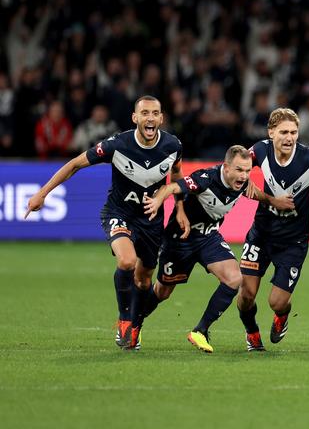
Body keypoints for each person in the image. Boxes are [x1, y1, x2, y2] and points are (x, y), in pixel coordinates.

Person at [25, 95, 183, 350]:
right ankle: (124, 320)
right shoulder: (117, 144)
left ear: (161, 118)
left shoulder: (173, 145)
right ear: (135, 118)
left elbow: (176, 174)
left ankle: (135, 326)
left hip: (152, 220)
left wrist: (181, 208)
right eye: (145, 113)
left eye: (155, 113)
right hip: (119, 213)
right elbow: (76, 164)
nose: (150, 118)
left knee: (144, 281)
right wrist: (42, 193)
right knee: (127, 261)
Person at [138, 145, 294, 352]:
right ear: (227, 167)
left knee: (234, 278)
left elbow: (256, 194)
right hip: (180, 239)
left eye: (248, 170)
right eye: (239, 170)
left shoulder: (243, 183)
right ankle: (133, 322)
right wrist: (159, 200)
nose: (244, 175)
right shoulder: (206, 178)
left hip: (208, 238)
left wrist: (275, 201)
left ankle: (200, 331)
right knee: (162, 291)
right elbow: (173, 187)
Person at [237, 108, 309, 351]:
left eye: (293, 132)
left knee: (277, 302)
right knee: (246, 296)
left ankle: (282, 316)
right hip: (261, 235)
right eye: (283, 132)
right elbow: (236, 170)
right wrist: (269, 199)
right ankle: (252, 333)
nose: (289, 138)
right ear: (271, 133)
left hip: (293, 243)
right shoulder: (259, 150)